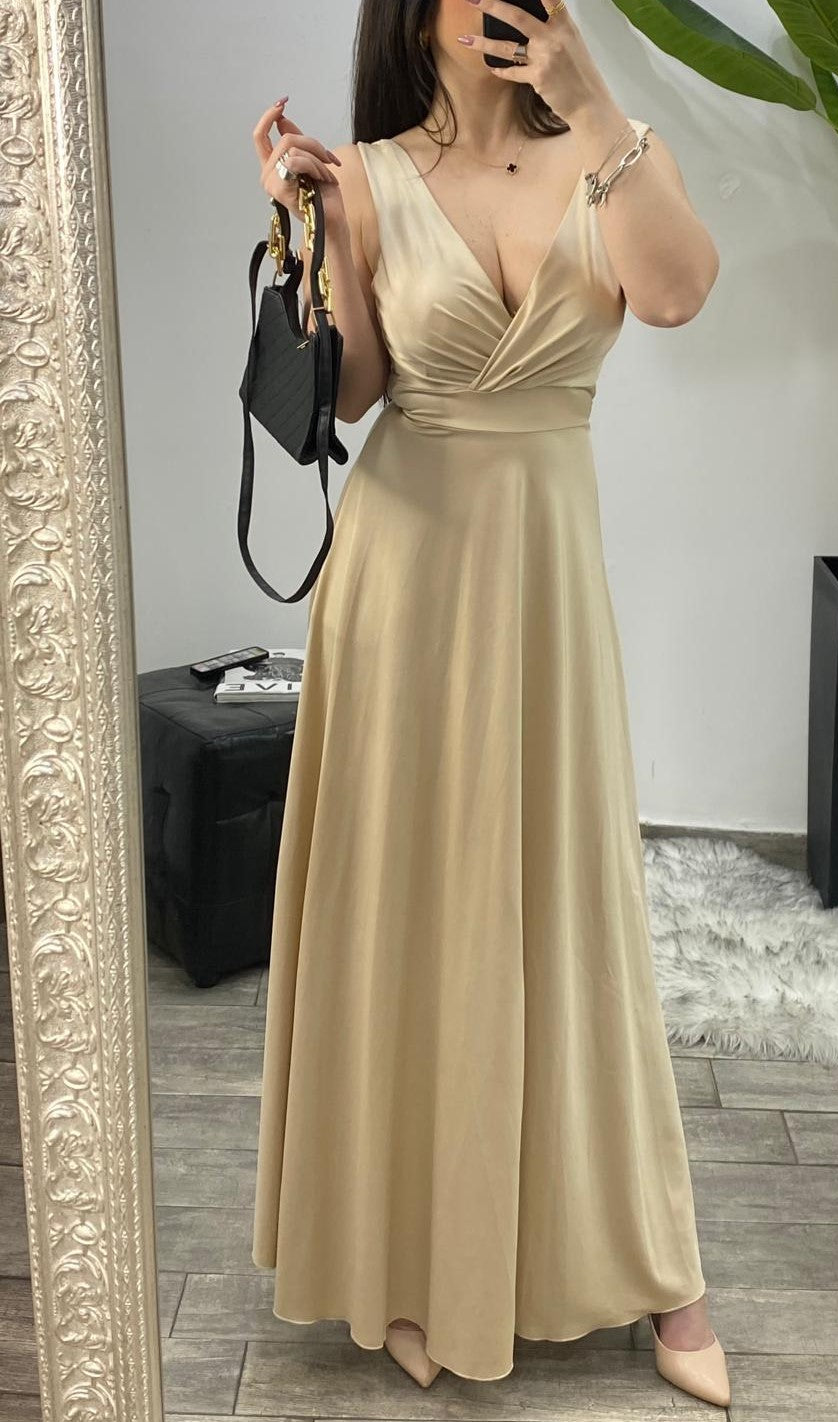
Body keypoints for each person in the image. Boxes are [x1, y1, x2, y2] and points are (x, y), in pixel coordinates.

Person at [249, 0, 725, 1405]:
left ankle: (660, 1263)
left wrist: (592, 95)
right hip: (404, 580)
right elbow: (354, 396)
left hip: (543, 584)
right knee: (406, 905)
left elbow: (679, 293)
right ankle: (406, 1255)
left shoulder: (615, 148)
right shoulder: (372, 174)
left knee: (573, 902)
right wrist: (310, 230)